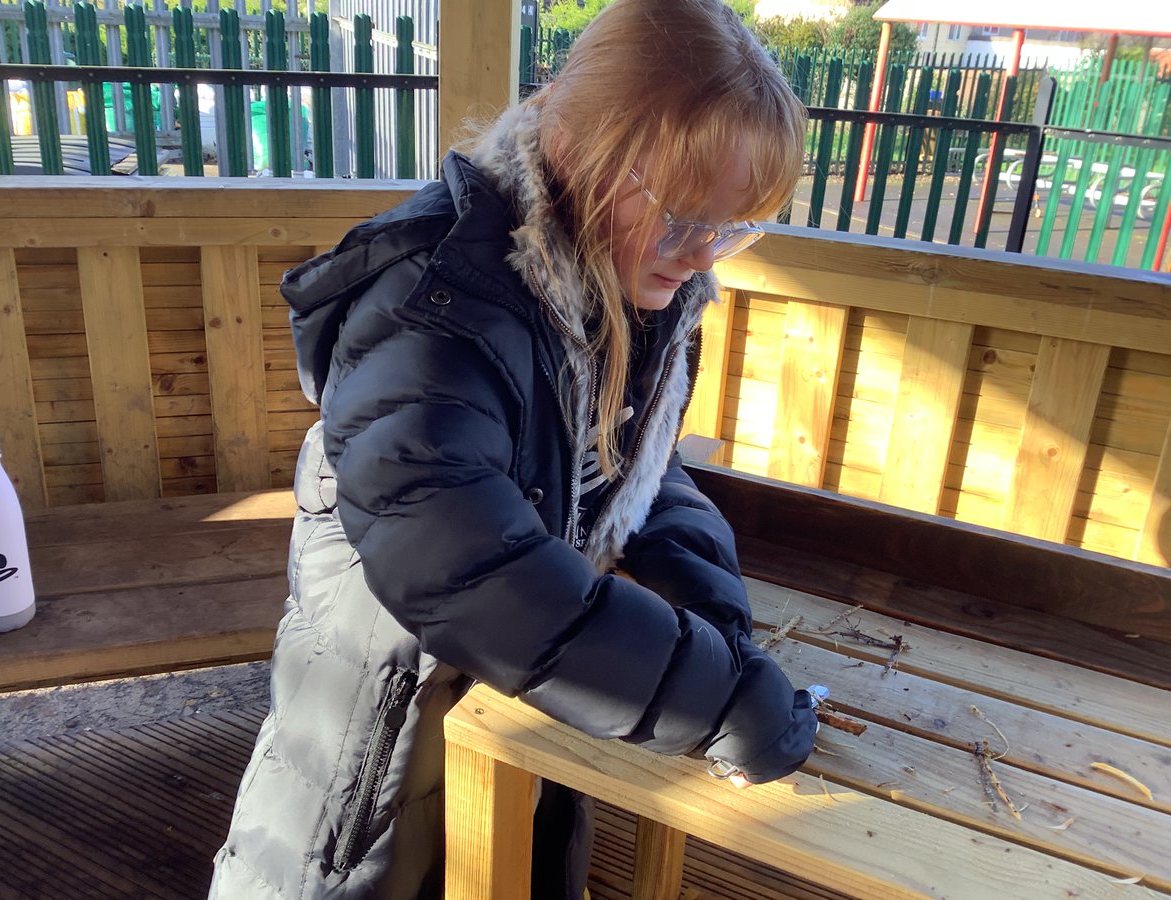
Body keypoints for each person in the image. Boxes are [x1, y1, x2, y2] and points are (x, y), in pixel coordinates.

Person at [210, 0, 817, 897]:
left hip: (519, 712)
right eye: (688, 220)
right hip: (379, 743)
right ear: (583, 151)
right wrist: (714, 696)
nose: (702, 258)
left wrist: (710, 619)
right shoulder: (430, 310)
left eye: (732, 229)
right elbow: (465, 571)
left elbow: (641, 475)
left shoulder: (612, 285)